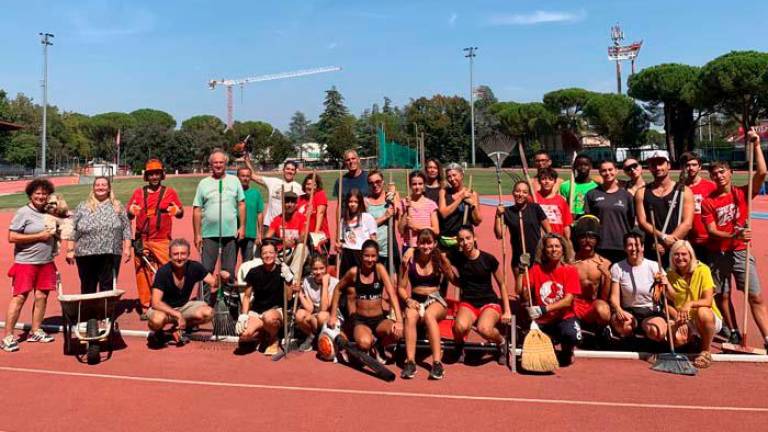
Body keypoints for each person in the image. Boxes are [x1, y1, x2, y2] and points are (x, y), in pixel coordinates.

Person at [702, 129, 768, 349]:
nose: (719, 176)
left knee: (755, 296)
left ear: (730, 172)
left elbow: (762, 172)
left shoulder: (742, 194)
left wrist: (756, 145)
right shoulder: (709, 202)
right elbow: (711, 230)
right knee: (722, 295)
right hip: (717, 253)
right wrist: (733, 234)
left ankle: (767, 337)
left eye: (722, 172)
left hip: (740, 251)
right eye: (715, 174)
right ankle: (734, 332)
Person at [2, 179, 58, 352]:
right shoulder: (23, 212)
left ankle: (36, 330)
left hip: (46, 262)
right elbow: (12, 237)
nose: (41, 197)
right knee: (19, 298)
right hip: (26, 263)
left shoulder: (49, 212)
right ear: (31, 195)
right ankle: (8, 336)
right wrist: (39, 236)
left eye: (44, 193)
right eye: (37, 193)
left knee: (42, 297)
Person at [126, 159, 184, 319]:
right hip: (142, 239)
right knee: (142, 272)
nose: (154, 177)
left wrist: (176, 211)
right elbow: (128, 213)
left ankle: (168, 303)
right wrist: (131, 211)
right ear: (146, 176)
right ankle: (146, 306)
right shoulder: (138, 193)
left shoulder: (169, 192)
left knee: (167, 271)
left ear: (162, 175)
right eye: (151, 174)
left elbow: (180, 213)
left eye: (157, 173)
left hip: (162, 240)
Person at [449, 225, 513, 365]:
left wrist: (507, 310)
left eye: (468, 238)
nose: (465, 242)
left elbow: (502, 284)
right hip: (468, 303)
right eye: (461, 240)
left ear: (474, 238)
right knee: (458, 327)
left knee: (484, 329)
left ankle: (501, 342)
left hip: (489, 303)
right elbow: (441, 257)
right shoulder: (457, 257)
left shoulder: (488, 259)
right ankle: (459, 346)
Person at [328, 240, 403, 358]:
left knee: (398, 332)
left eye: (373, 256)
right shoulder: (354, 272)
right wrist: (332, 315)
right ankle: (364, 344)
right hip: (361, 321)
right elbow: (337, 289)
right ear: (361, 255)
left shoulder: (380, 269)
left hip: (379, 320)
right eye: (366, 256)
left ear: (377, 256)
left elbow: (392, 294)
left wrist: (399, 321)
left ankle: (379, 345)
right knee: (364, 344)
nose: (370, 259)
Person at [398, 229, 453, 380]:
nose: (426, 246)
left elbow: (455, 279)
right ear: (418, 244)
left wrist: (448, 264)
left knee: (429, 315)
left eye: (429, 242)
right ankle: (410, 362)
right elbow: (401, 288)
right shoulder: (409, 260)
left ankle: (437, 363)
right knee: (409, 315)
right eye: (423, 242)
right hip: (416, 299)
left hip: (436, 300)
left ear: (435, 244)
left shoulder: (439, 259)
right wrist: (408, 300)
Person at [521, 233, 583, 366]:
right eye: (550, 247)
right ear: (544, 250)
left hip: (564, 318)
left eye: (557, 246)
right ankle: (550, 346)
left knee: (573, 336)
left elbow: (568, 300)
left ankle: (567, 350)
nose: (554, 249)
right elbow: (523, 294)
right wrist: (522, 271)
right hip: (542, 320)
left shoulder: (570, 271)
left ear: (563, 249)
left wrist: (543, 309)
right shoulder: (536, 270)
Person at [659, 240, 723, 369]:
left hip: (708, 318)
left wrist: (690, 304)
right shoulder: (670, 275)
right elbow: (671, 301)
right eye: (676, 254)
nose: (680, 258)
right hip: (686, 319)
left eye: (684, 254)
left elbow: (708, 301)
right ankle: (694, 341)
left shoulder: (703, 270)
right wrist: (678, 318)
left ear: (690, 255)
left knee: (702, 312)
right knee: (677, 339)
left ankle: (706, 351)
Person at [192, 149, 245, 298]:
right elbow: (196, 210)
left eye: (221, 162)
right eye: (215, 162)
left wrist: (242, 226)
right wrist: (197, 234)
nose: (218, 165)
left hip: (230, 233)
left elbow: (241, 204)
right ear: (211, 164)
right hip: (209, 233)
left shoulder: (234, 181)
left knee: (228, 269)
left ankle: (229, 301)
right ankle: (204, 301)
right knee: (206, 269)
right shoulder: (204, 183)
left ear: (225, 164)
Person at [66, 176, 132, 294]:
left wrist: (127, 248)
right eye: (97, 185)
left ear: (109, 188)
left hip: (110, 252)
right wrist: (70, 249)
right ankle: (89, 311)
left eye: (103, 185)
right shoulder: (83, 206)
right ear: (93, 188)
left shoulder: (117, 206)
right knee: (88, 286)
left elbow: (126, 227)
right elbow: (72, 228)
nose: (100, 187)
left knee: (107, 286)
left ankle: (105, 312)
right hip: (86, 252)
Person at [146, 239, 217, 347]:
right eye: (175, 254)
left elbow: (214, 283)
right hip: (163, 310)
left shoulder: (195, 267)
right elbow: (155, 302)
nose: (179, 258)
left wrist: (221, 278)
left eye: (183, 254)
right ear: (169, 255)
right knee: (157, 320)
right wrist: (177, 314)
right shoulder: (163, 272)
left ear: (188, 254)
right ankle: (159, 332)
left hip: (183, 307)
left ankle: (176, 329)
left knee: (208, 313)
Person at [635, 151, 693, 265]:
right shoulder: (641, 192)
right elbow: (642, 222)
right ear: (649, 168)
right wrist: (663, 237)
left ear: (669, 165)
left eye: (661, 163)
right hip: (654, 248)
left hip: (679, 250)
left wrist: (669, 242)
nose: (657, 167)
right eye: (653, 164)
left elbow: (687, 223)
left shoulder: (684, 191)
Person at [236, 242, 294, 355]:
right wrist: (243, 315)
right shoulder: (254, 272)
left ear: (276, 254)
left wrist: (288, 280)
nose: (268, 256)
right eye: (265, 253)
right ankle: (264, 334)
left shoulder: (283, 270)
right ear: (261, 255)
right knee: (244, 335)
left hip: (275, 311)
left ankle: (274, 339)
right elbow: (247, 296)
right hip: (257, 311)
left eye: (271, 252)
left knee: (268, 318)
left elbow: (288, 297)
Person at [608, 230, 666, 341]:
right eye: (630, 245)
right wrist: (618, 309)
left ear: (643, 247)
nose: (634, 248)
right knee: (622, 325)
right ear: (625, 248)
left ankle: (652, 349)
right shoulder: (617, 267)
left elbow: (667, 294)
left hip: (650, 311)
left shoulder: (654, 266)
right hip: (629, 311)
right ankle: (630, 341)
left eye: (637, 245)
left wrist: (664, 284)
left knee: (657, 331)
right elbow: (614, 296)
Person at [495, 180, 550, 279]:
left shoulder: (535, 208)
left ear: (528, 194)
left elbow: (549, 231)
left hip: (537, 256)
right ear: (513, 192)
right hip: (518, 257)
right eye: (518, 191)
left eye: (524, 192)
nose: (520, 194)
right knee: (521, 290)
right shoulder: (507, 212)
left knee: (537, 289)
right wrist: (498, 216)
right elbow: (500, 235)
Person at [585, 160, 635, 264]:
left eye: (610, 170)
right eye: (604, 170)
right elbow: (589, 222)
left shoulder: (627, 196)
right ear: (599, 172)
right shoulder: (591, 194)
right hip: (600, 245)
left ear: (616, 171)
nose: (607, 173)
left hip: (622, 245)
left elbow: (632, 221)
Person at [571, 218, 612, 329]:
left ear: (597, 240)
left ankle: (600, 331)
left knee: (603, 311)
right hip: (573, 304)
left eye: (592, 237)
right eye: (583, 237)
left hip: (592, 304)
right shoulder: (570, 262)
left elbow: (604, 297)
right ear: (578, 239)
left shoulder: (605, 263)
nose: (587, 240)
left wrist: (607, 277)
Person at [244, 157, 302, 232]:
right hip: (269, 224)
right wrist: (247, 162)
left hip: (287, 226)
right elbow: (253, 176)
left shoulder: (299, 188)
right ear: (283, 170)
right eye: (287, 169)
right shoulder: (273, 182)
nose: (289, 171)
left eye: (292, 170)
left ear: (295, 172)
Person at [295, 256, 340, 351]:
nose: (318, 272)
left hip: (328, 315)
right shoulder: (307, 281)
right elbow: (309, 308)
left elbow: (324, 308)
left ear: (326, 268)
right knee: (299, 314)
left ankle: (314, 337)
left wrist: (324, 285)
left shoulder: (335, 282)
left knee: (321, 316)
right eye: (315, 269)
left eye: (321, 268)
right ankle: (314, 338)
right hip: (314, 314)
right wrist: (299, 294)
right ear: (311, 269)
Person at [679, 152, 716, 265]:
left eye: (694, 164)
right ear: (683, 167)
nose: (691, 168)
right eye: (687, 165)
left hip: (709, 240)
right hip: (688, 241)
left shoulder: (711, 186)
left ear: (700, 167)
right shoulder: (679, 189)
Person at [437, 163, 481, 255]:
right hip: (446, 241)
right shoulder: (443, 192)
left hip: (464, 241)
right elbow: (443, 213)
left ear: (461, 175)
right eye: (449, 177)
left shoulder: (472, 194)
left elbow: (477, 221)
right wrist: (461, 198)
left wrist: (473, 205)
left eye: (454, 175)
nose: (452, 179)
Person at [337, 188, 378, 276]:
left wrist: (373, 256)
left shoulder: (367, 217)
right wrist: (338, 245)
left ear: (360, 203)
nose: (352, 204)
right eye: (350, 201)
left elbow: (373, 240)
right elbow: (341, 240)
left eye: (356, 202)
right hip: (347, 254)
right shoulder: (343, 220)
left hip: (361, 254)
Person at [365, 170, 400, 267]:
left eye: (378, 182)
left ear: (383, 182)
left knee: (392, 279)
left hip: (389, 247)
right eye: (371, 183)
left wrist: (393, 198)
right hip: (373, 249)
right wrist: (385, 217)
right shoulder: (366, 201)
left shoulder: (392, 196)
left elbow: (398, 213)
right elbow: (365, 226)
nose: (375, 185)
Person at [398, 171, 439, 254]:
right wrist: (406, 210)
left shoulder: (431, 204)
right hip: (410, 246)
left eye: (420, 184)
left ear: (424, 185)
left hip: (426, 246)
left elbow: (436, 230)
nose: (417, 187)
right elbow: (401, 230)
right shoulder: (403, 203)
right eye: (414, 184)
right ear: (410, 185)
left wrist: (416, 227)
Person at [236, 166, 264, 262]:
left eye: (248, 176)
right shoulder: (233, 192)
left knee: (247, 262)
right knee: (230, 262)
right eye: (243, 176)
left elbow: (260, 213)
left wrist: (259, 233)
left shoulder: (256, 193)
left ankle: (245, 277)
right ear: (238, 177)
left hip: (250, 234)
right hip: (233, 233)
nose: (245, 178)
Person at [297, 172, 330, 254]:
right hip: (304, 238)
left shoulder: (320, 195)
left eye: (313, 184)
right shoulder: (300, 199)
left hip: (319, 237)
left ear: (317, 186)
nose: (310, 187)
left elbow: (320, 213)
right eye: (308, 184)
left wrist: (315, 234)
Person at [535, 167, 572, 239]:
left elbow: (566, 224)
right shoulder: (533, 198)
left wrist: (567, 240)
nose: (547, 182)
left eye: (550, 179)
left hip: (557, 239)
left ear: (555, 181)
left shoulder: (561, 200)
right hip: (538, 238)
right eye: (543, 179)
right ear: (539, 181)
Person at [559, 154, 598, 219]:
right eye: (579, 165)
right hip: (569, 221)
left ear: (591, 166)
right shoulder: (565, 186)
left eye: (586, 165)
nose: (583, 167)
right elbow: (561, 206)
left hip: (588, 222)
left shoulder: (595, 187)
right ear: (575, 167)